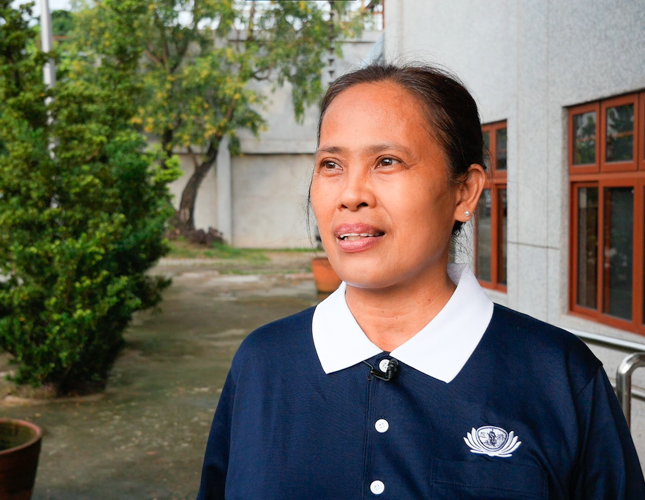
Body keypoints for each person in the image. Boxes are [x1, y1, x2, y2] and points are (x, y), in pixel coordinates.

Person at [197, 63, 645, 499]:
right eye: (331, 164)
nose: (351, 195)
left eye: (386, 161)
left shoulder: (558, 376)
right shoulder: (262, 363)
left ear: (464, 191)